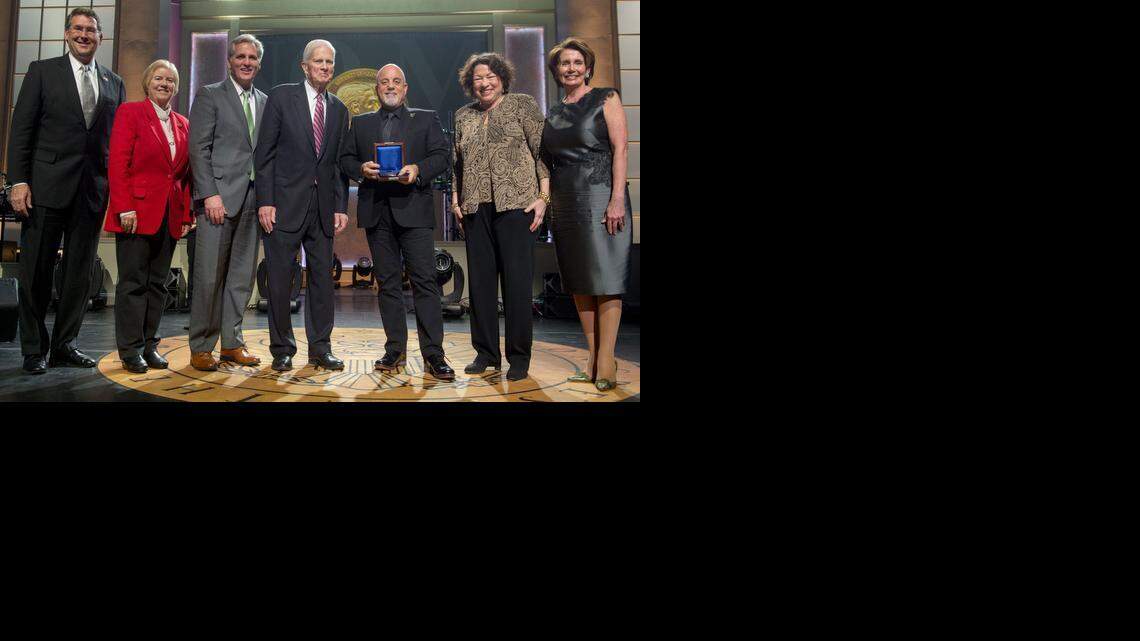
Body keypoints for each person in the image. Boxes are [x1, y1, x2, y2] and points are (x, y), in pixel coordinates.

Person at [5, 8, 125, 374]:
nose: (84, 34)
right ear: (67, 34)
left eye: (91, 29)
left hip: (91, 192)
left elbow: (113, 143)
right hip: (45, 188)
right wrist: (18, 181)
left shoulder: (113, 82)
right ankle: (33, 348)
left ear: (100, 37)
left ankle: (65, 346)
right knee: (36, 273)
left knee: (78, 275)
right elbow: (21, 129)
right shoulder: (42, 71)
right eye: (78, 28)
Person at [337, 64, 455, 380]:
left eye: (396, 82)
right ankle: (395, 349)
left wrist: (418, 169)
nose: (390, 86)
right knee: (387, 284)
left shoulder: (426, 118)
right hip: (377, 212)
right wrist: (361, 168)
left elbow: (443, 156)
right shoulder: (360, 124)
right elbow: (345, 159)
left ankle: (434, 355)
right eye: (384, 82)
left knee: (425, 283)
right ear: (377, 89)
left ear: (405, 89)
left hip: (414, 211)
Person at [542, 38, 632, 392]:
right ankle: (592, 358)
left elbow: (620, 148)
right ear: (556, 70)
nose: (571, 68)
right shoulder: (553, 111)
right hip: (566, 202)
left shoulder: (606, 97)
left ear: (588, 67)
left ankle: (608, 359)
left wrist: (617, 199)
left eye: (577, 62)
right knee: (580, 282)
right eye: (564, 63)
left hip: (601, 197)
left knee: (606, 280)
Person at [451, 53, 548, 381]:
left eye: (490, 75)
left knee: (517, 284)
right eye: (478, 77)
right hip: (476, 207)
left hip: (517, 206)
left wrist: (543, 198)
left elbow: (542, 154)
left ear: (502, 78)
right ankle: (486, 353)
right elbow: (458, 165)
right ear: (470, 83)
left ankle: (519, 357)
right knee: (480, 285)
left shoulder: (523, 105)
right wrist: (455, 201)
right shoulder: (463, 116)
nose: (485, 82)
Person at [254, 39, 350, 372]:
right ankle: (282, 348)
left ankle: (320, 348)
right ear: (304, 66)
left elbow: (336, 163)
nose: (324, 67)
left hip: (322, 209)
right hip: (283, 205)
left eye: (329, 62)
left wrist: (340, 206)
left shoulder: (339, 108)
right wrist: (265, 200)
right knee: (281, 281)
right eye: (318, 61)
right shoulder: (282, 97)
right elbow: (263, 154)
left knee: (323, 281)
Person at [103, 60, 193, 373]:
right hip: (135, 213)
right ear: (147, 81)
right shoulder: (130, 113)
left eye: (171, 80)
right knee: (133, 284)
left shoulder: (183, 123)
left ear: (176, 87)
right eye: (159, 78)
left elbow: (183, 175)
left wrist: (186, 213)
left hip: (169, 215)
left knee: (158, 285)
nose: (165, 83)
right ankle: (130, 349)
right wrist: (124, 206)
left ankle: (150, 344)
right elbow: (118, 163)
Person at [187, 34, 268, 371]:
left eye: (252, 57)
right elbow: (198, 149)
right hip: (218, 199)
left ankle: (232, 343)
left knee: (240, 277)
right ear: (229, 60)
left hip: (253, 198)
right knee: (209, 276)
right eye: (240, 57)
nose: (246, 62)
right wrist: (209, 194)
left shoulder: (265, 100)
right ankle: (202, 345)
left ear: (259, 63)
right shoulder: (209, 95)